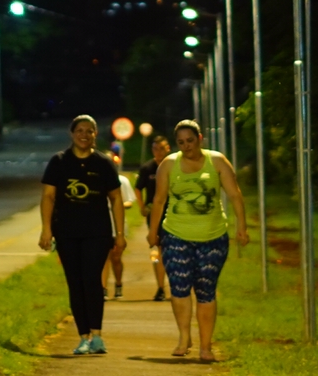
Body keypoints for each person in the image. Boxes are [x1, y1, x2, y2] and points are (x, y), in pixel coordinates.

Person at [147, 119, 248, 361]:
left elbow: (234, 194)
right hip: (176, 235)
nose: (186, 146)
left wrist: (241, 226)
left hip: (212, 238)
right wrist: (153, 231)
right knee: (180, 288)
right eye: (181, 142)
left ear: (200, 139)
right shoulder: (169, 165)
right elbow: (159, 200)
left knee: (206, 291)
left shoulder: (217, 161)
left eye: (190, 141)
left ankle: (206, 346)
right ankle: (184, 337)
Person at [39, 115, 126, 355]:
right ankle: (83, 336)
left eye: (89, 131)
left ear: (95, 135)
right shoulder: (58, 162)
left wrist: (119, 234)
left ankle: (97, 336)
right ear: (72, 133)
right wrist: (46, 229)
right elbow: (48, 196)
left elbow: (116, 198)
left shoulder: (104, 163)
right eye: (79, 130)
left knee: (91, 280)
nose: (84, 135)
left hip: (97, 232)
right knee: (75, 283)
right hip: (66, 232)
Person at [136, 134, 172, 301]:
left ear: (168, 149)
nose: (158, 152)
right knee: (157, 252)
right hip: (155, 215)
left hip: (174, 214)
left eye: (162, 149)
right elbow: (138, 188)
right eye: (155, 149)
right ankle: (160, 287)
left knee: (173, 252)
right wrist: (142, 206)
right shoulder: (147, 168)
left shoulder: (174, 165)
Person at [101, 152, 137, 299]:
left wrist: (118, 205)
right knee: (103, 258)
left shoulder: (121, 180)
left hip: (117, 224)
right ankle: (102, 288)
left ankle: (118, 283)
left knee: (116, 257)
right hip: (101, 224)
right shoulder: (97, 179)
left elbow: (129, 201)